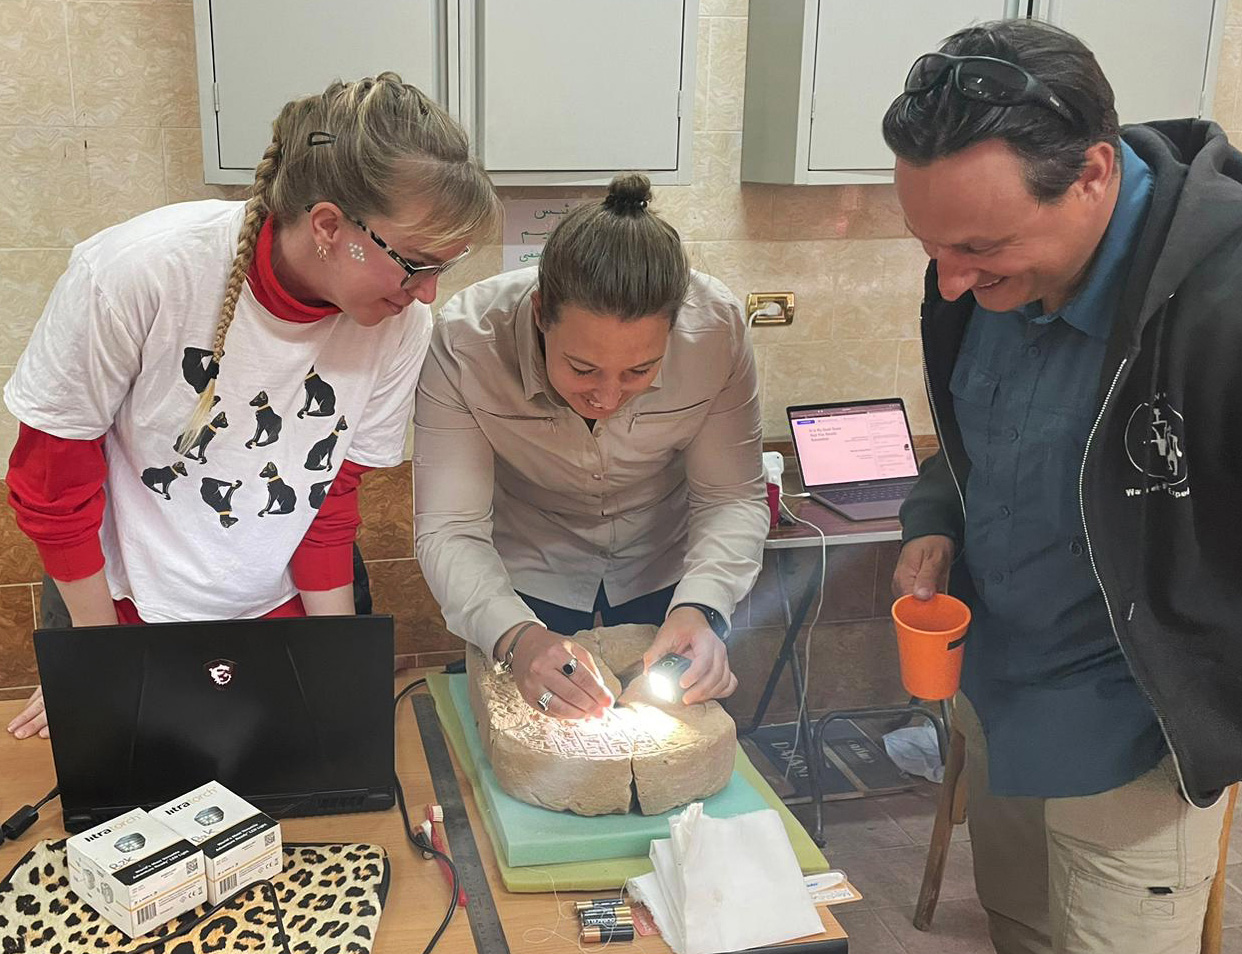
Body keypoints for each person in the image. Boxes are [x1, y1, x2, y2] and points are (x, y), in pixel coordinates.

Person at [882, 19, 1242, 954]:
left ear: (1093, 174)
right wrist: (934, 518)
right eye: (929, 246)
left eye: (981, 246)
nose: (948, 281)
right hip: (1000, 703)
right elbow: (973, 440)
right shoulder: (978, 284)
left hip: (1138, 740)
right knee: (1020, 930)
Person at [4, 73, 499, 741]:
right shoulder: (138, 273)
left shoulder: (398, 324)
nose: (429, 294)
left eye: (446, 267)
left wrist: (333, 668)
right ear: (328, 226)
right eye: (414, 263)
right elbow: (51, 482)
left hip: (285, 606)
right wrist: (98, 664)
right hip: (120, 611)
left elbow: (330, 502)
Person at [414, 173, 767, 720]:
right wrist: (516, 638)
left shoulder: (716, 329)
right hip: (525, 571)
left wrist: (702, 608)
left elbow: (731, 498)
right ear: (538, 315)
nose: (607, 396)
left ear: (675, 329)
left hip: (665, 567)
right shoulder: (466, 342)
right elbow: (449, 526)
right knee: (534, 731)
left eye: (640, 371)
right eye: (581, 368)